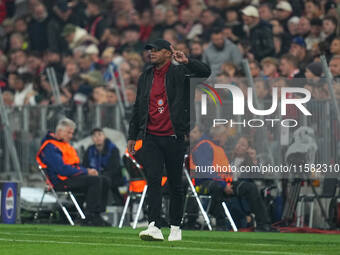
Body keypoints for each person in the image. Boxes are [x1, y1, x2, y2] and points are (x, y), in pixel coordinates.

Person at [127, 39, 211, 241]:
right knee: (154, 180)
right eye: (149, 50)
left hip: (174, 136)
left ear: (168, 53)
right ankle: (154, 225)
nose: (151, 53)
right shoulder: (145, 76)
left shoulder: (181, 73)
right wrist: (132, 135)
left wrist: (186, 61)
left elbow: (205, 72)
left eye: (156, 50)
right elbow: (139, 106)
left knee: (175, 184)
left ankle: (175, 226)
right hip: (150, 137)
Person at [36, 118, 110, 226]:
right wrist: (86, 171)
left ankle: (97, 214)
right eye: (69, 132)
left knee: (105, 180)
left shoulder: (64, 145)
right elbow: (61, 169)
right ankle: (90, 216)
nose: (71, 136)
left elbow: (73, 166)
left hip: (71, 178)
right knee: (95, 180)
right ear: (60, 131)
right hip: (60, 181)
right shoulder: (50, 146)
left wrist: (86, 171)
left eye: (72, 133)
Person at [83, 128, 125, 205]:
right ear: (92, 138)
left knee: (103, 180)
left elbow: (115, 167)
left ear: (104, 136)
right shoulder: (90, 150)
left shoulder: (113, 149)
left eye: (99, 134)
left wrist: (100, 174)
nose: (98, 137)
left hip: (112, 177)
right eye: (94, 136)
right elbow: (85, 165)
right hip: (94, 176)